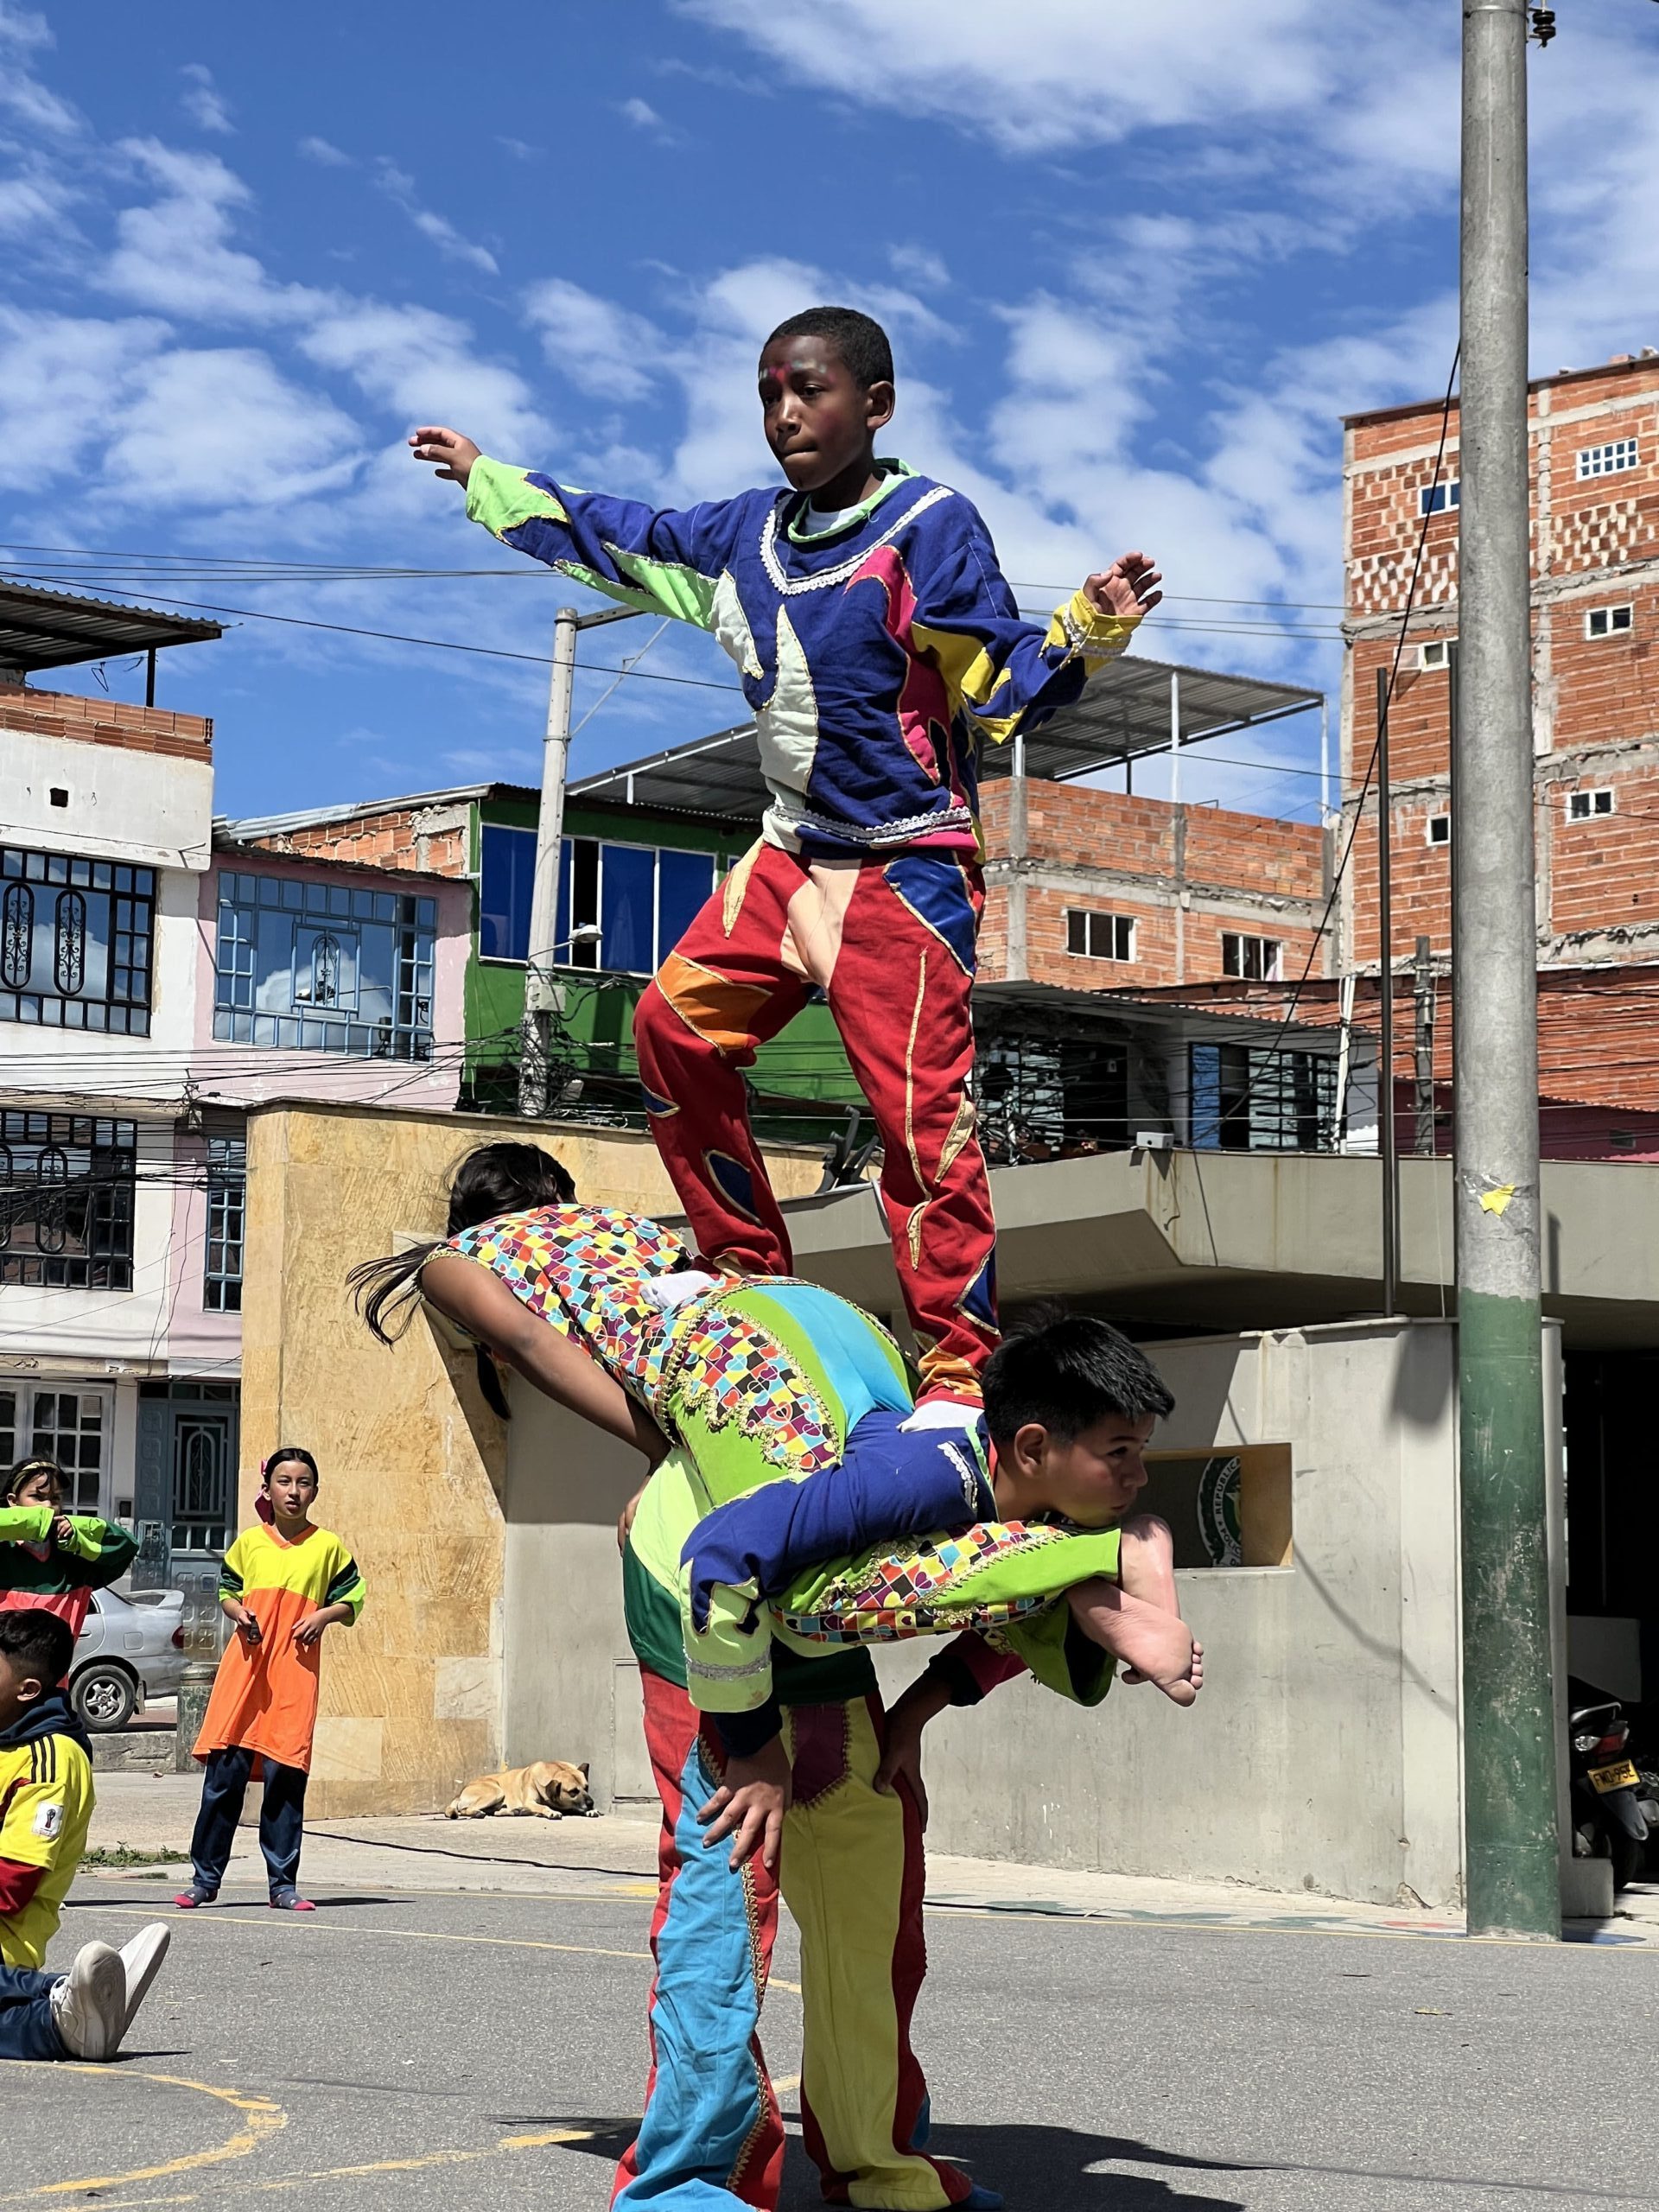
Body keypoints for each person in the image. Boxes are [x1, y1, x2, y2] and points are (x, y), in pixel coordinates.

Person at [351, 1143, 1200, 2212]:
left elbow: (974, 1601)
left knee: (866, 1867)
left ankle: (875, 2156)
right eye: (1120, 1459)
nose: (1130, 1474)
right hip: (711, 1581)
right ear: (1035, 1447)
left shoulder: (963, 1474)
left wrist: (915, 1715)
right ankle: (689, 2178)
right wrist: (746, 1741)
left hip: (793, 1450)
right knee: (724, 1886)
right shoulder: (484, 1255)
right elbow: (726, 1560)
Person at [410, 304, 1162, 1414]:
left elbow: (995, 696)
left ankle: (959, 1366)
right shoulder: (741, 540)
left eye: (809, 390)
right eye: (769, 394)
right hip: (791, 855)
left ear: (876, 406)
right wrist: (489, 481)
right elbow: (619, 533)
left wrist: (1085, 628)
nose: (786, 414)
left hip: (903, 870)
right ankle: (746, 1266)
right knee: (671, 1030)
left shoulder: (928, 526)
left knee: (921, 1124)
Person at [175, 1449, 365, 1915]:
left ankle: (283, 1884)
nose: (293, 1491)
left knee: (285, 1782)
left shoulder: (329, 1548)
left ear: (315, 1492)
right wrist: (239, 1612)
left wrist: (323, 1615)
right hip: (244, 1676)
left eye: (303, 1483)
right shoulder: (249, 1544)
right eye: (284, 1481)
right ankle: (204, 1880)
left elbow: (354, 1596)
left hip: (293, 1679)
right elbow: (226, 1591)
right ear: (268, 1490)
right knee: (224, 1781)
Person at [0, 1609, 169, 2063]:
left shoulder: (49, 1759)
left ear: (27, 1689)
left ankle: (60, 1995)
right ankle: (66, 2018)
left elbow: (14, 1882)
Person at [1, 1458, 139, 1639]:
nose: (48, 1506)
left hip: (55, 1667)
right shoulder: (4, 1551)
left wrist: (78, 1533)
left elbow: (127, 1546)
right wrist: (34, 1523)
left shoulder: (74, 1559)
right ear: (13, 1501)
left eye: (55, 1498)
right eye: (37, 1497)